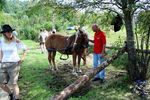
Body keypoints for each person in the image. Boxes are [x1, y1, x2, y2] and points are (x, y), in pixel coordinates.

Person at [0, 24, 27, 100]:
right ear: (4, 33)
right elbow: (1, 50)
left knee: (14, 83)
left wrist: (22, 58)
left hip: (14, 64)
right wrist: (1, 60)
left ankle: (17, 98)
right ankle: (11, 94)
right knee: (1, 84)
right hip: (4, 64)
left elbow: (25, 48)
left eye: (10, 31)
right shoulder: (1, 41)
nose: (9, 33)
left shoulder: (15, 40)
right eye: (7, 32)